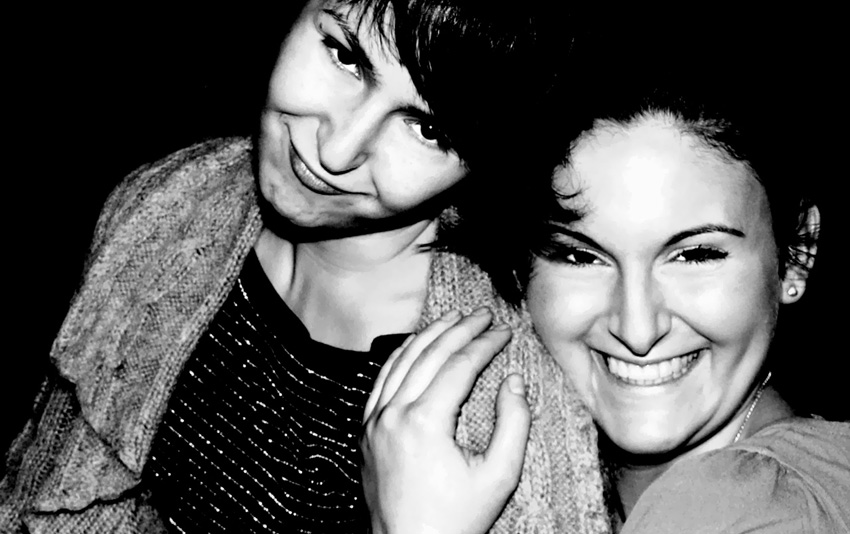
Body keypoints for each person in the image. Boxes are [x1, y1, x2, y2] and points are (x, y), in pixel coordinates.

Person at [0, 1, 611, 533]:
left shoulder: (503, 399)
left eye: (428, 128)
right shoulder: (170, 200)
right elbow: (52, 481)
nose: (337, 151)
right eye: (345, 55)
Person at [360, 13, 850, 534]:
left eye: (695, 255)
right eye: (581, 257)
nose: (637, 329)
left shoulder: (759, 514)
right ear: (521, 274)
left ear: (797, 253)